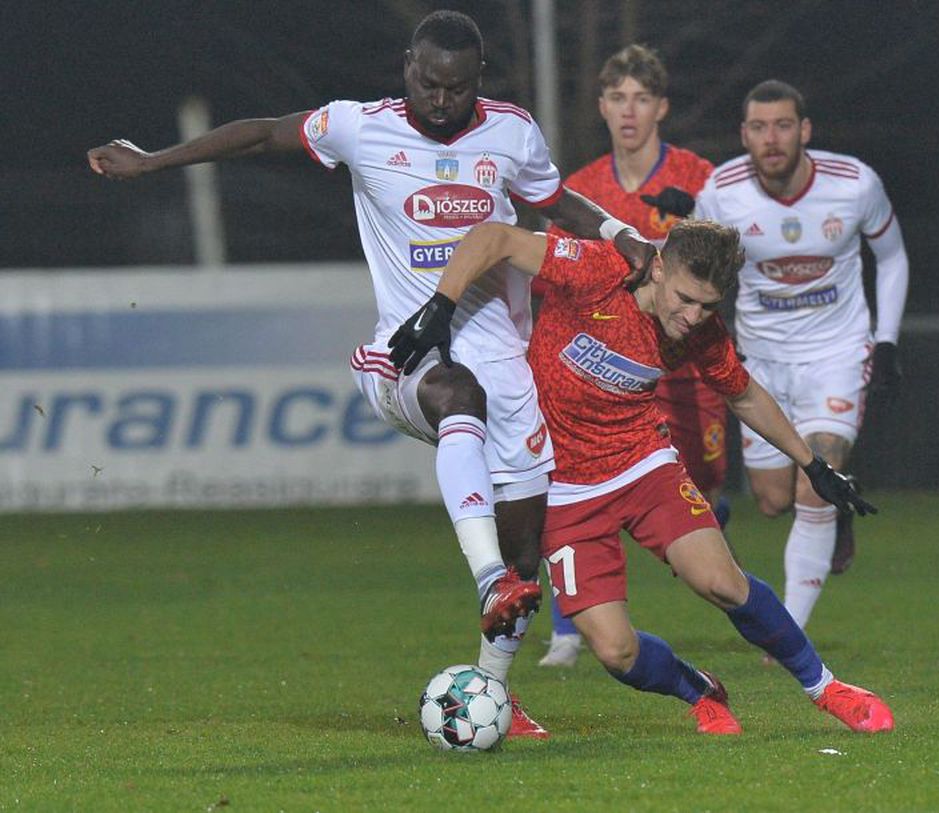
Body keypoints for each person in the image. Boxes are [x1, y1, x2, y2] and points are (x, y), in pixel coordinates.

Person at [86, 10, 653, 739]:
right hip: (402, 349)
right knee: (458, 395)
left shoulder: (511, 131)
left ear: (477, 80)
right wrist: (153, 158)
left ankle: (499, 692)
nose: (437, 98)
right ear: (406, 66)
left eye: (453, 87)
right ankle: (487, 580)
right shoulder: (360, 126)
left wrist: (617, 231)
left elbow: (554, 199)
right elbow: (262, 131)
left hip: (504, 358)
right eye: (424, 80)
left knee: (525, 549)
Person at [389, 218, 894, 735]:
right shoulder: (594, 271)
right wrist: (441, 306)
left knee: (722, 583)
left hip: (643, 464)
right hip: (562, 488)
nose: (694, 316)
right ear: (657, 267)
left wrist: (810, 463)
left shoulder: (697, 333)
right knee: (615, 651)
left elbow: (741, 393)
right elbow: (492, 238)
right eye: (685, 298)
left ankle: (828, 689)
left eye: (708, 306)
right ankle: (697, 689)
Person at [693, 79, 909, 630]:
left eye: (783, 126)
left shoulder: (855, 183)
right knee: (770, 500)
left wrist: (885, 341)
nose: (772, 139)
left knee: (816, 480)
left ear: (805, 130)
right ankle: (836, 515)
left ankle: (789, 632)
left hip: (836, 353)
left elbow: (892, 257)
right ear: (744, 135)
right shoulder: (722, 192)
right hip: (760, 362)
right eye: (759, 128)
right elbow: (698, 272)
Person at [536, 44, 726, 669]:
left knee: (703, 483)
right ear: (601, 106)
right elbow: (556, 279)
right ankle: (570, 627)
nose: (628, 110)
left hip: (681, 363)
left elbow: (728, 265)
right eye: (617, 97)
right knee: (578, 478)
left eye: (641, 98)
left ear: (660, 107)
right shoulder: (582, 190)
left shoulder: (701, 178)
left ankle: (703, 541)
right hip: (605, 366)